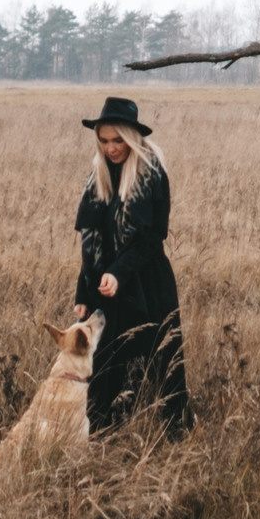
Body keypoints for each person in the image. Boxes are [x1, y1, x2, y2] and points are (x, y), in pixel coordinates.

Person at [73, 96, 193, 434]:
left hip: (148, 283)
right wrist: (84, 291)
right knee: (105, 363)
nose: (111, 148)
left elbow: (151, 238)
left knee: (162, 362)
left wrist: (119, 272)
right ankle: (104, 435)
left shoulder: (151, 173)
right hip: (106, 286)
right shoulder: (98, 175)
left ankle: (175, 435)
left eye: (118, 140)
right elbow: (91, 241)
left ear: (132, 138)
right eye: (104, 140)